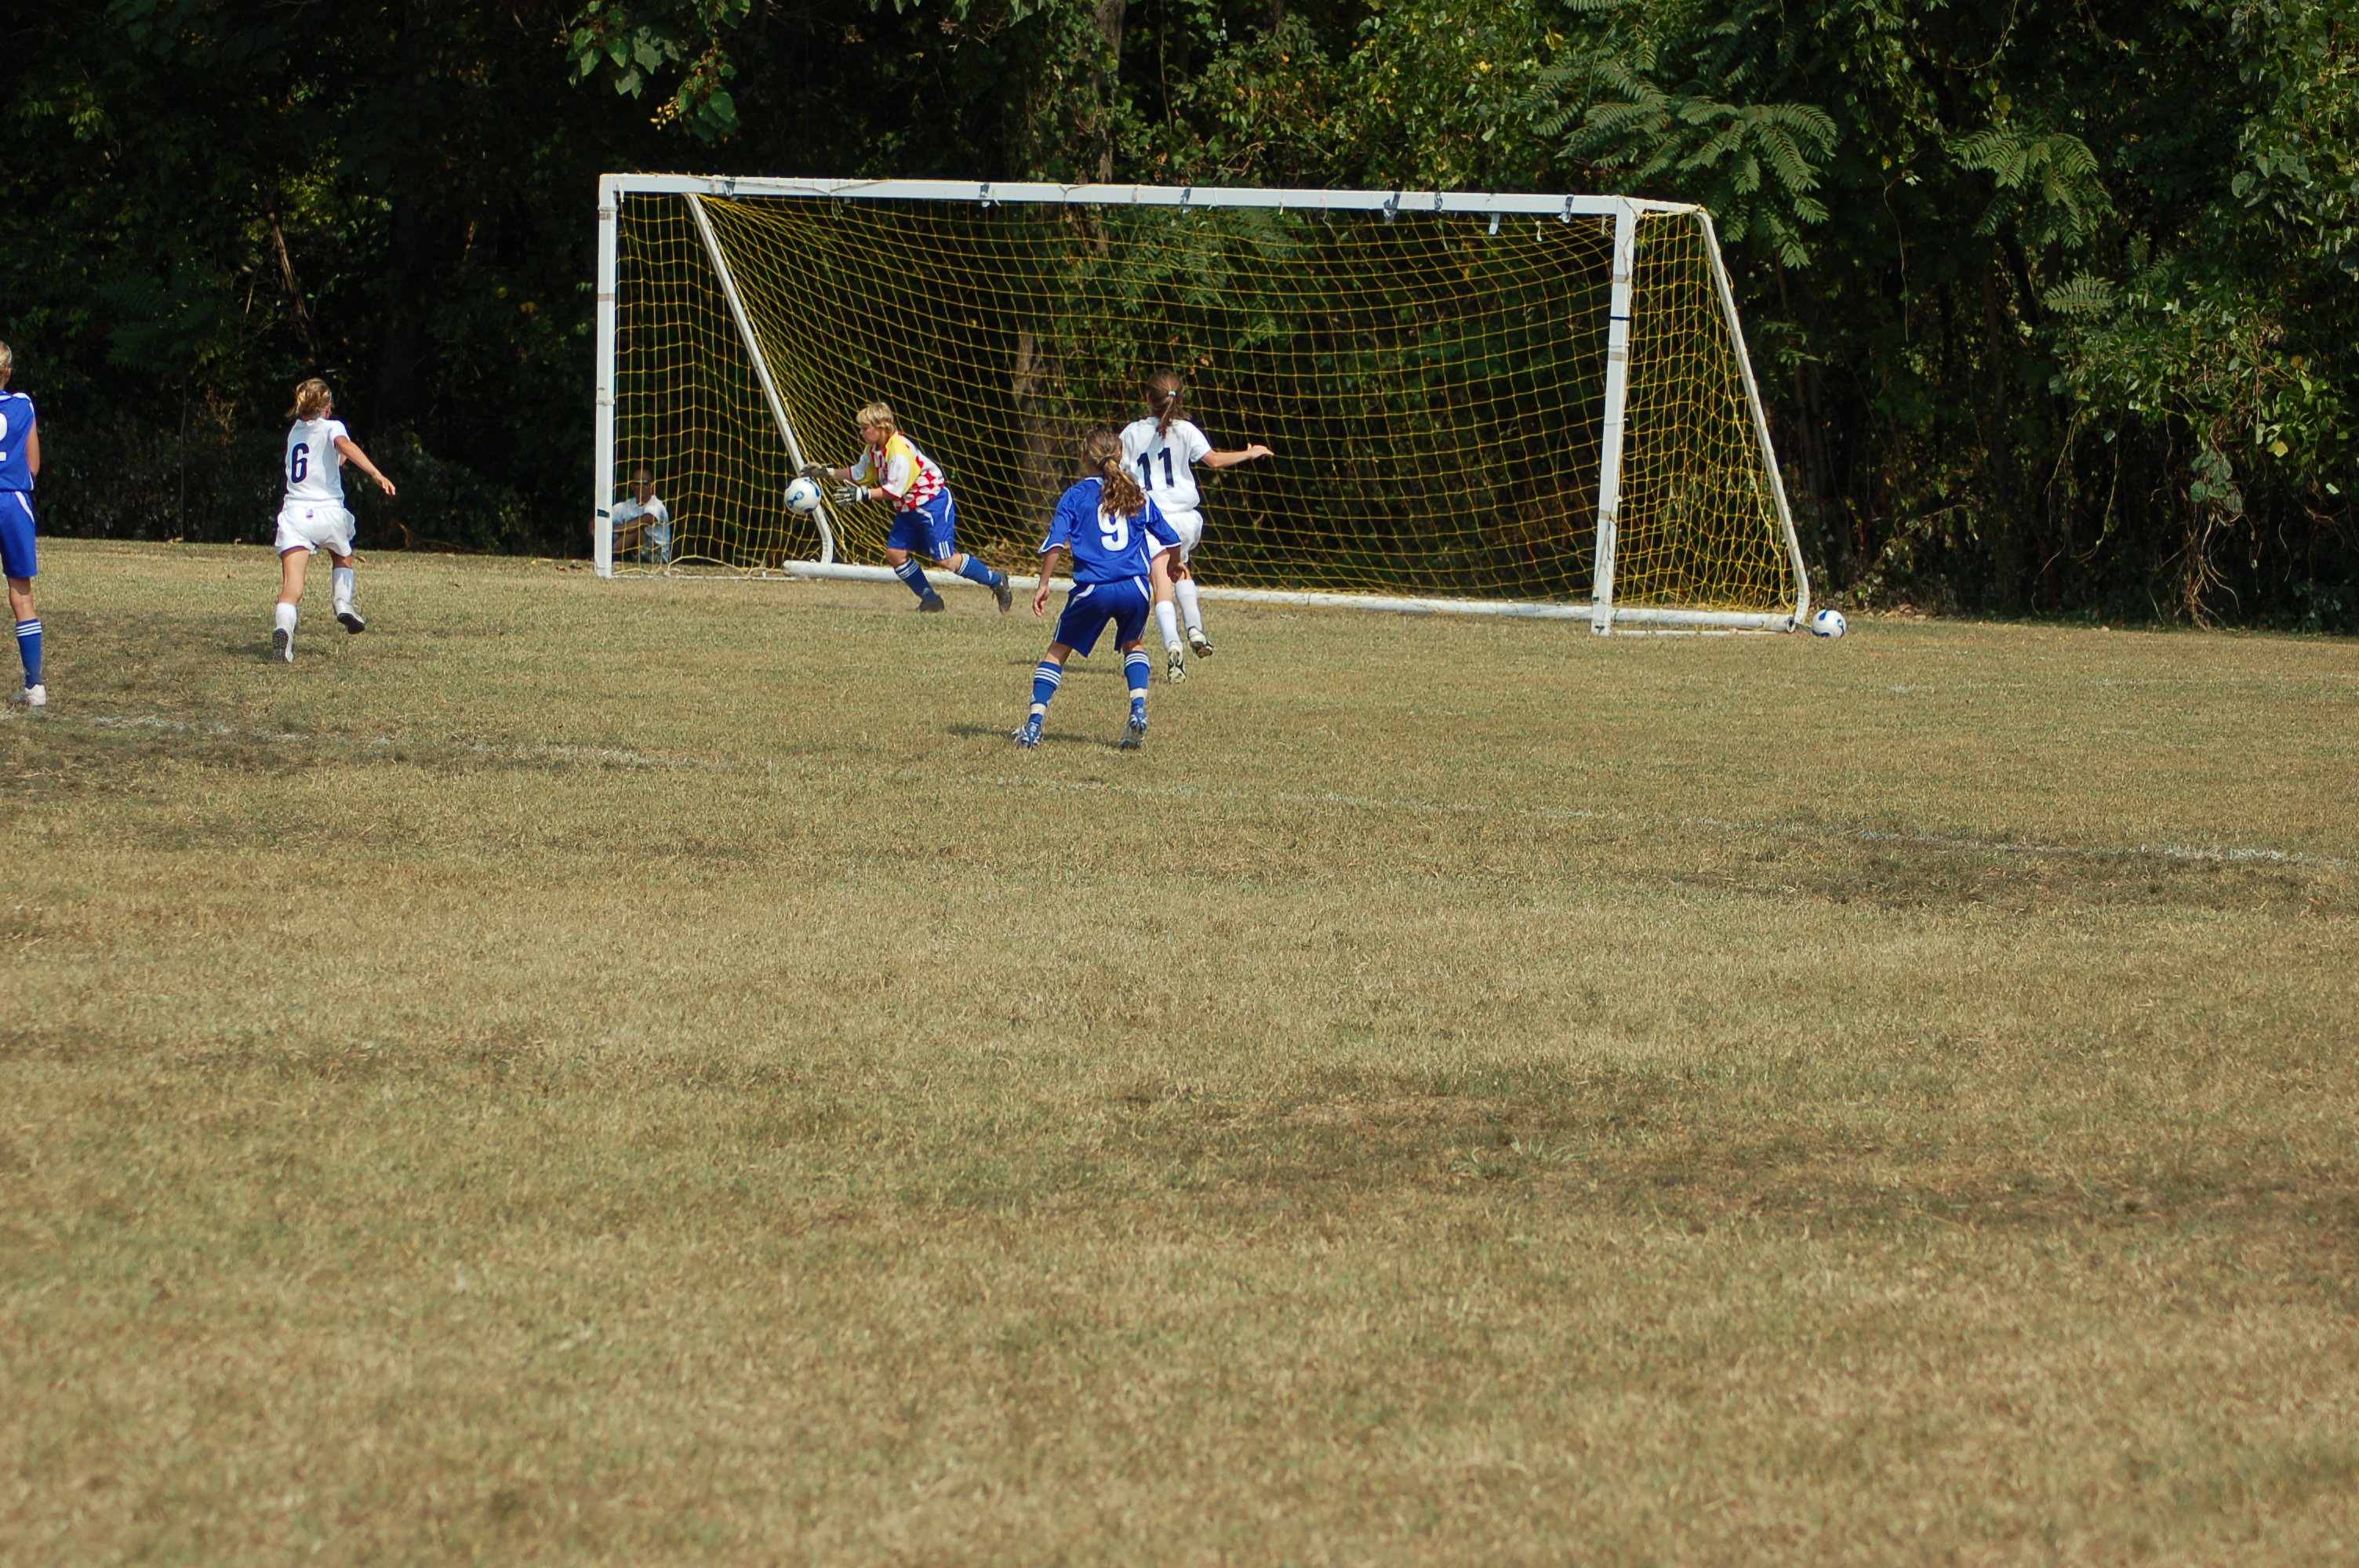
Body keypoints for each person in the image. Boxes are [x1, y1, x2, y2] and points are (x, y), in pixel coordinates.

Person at [1016, 428, 1182, 752]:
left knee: (1058, 650)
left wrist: (1043, 583)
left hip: (1094, 587)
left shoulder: (1075, 496)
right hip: (1135, 587)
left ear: (1084, 458)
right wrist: (1175, 564)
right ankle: (1138, 709)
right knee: (1134, 644)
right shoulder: (1135, 493)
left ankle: (1033, 725)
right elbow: (1171, 538)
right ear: (1120, 456)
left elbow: (1055, 544)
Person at [1121, 370, 1272, 681]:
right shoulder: (1186, 430)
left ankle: (1173, 645)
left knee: (1161, 583)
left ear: (1147, 399)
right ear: (1179, 399)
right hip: (1186, 520)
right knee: (1181, 569)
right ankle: (1196, 629)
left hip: (1152, 519)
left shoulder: (1132, 433)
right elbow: (1214, 460)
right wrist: (1250, 452)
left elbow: (1118, 472)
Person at [801, 401, 1011, 613]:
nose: (861, 432)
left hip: (932, 504)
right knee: (895, 554)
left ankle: (997, 581)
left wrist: (863, 494)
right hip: (908, 508)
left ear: (881, 427)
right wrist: (827, 473)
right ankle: (931, 601)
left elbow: (894, 490)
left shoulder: (899, 451)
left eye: (865, 428)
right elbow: (859, 473)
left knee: (946, 560)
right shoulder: (873, 449)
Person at [271, 379, 395, 662]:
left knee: (292, 587)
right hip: (328, 512)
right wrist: (376, 473)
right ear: (325, 406)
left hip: (295, 514)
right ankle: (343, 603)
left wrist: (337, 458)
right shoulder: (332, 427)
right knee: (342, 554)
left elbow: (322, 458)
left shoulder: (295, 432)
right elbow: (343, 445)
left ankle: (284, 631)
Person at [0, 343, 43, 706]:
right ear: (8, 372)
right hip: (14, 503)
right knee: (22, 594)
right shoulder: (23, 405)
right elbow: (33, 466)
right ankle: (35, 686)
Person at [610, 465, 671, 564]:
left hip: (658, 557)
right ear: (632, 486)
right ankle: (603, 555)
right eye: (637, 484)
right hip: (636, 554)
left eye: (646, 483)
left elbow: (642, 521)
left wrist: (612, 530)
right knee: (614, 531)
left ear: (652, 486)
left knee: (636, 530)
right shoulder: (626, 506)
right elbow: (598, 520)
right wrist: (596, 531)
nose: (641, 487)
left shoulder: (657, 506)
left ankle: (607, 555)